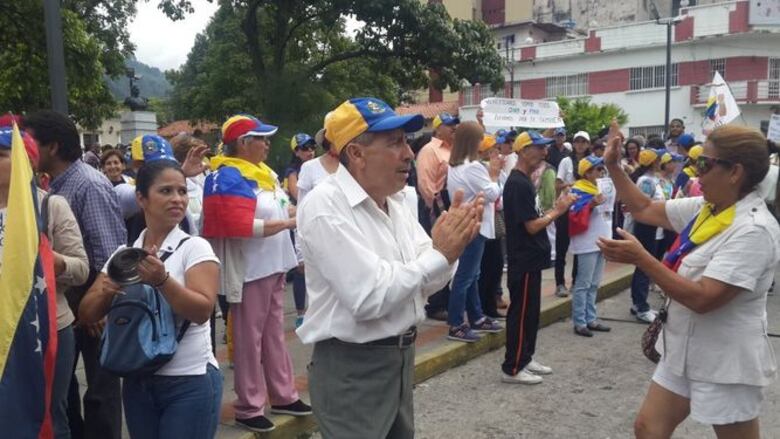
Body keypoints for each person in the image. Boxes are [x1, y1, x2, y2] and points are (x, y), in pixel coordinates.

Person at [296, 97, 481, 438]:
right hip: (353, 368)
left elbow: (430, 280)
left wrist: (448, 252)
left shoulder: (395, 201)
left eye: (406, 142)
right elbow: (369, 297)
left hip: (399, 358)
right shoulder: (325, 205)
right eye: (394, 143)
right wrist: (440, 255)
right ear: (356, 153)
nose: (408, 153)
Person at [598, 122, 779, 439]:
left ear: (735, 172)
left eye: (704, 164)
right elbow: (643, 208)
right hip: (683, 347)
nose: (694, 174)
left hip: (725, 360)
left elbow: (704, 298)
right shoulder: (707, 209)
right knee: (648, 429)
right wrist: (613, 166)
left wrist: (643, 259)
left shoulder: (753, 230)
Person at [78, 159, 222, 439]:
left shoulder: (195, 247)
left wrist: (162, 280)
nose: (177, 199)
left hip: (190, 380)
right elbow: (86, 314)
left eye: (182, 191)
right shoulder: (124, 255)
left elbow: (202, 311)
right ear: (141, 198)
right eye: (166, 191)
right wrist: (107, 292)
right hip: (138, 379)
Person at [201, 115, 310, 433]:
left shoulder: (263, 173)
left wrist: (302, 211)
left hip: (274, 265)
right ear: (243, 143)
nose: (267, 144)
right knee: (249, 341)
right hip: (250, 270)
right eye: (261, 139)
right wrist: (289, 222)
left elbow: (279, 208)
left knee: (273, 336)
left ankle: (283, 395)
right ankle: (249, 406)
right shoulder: (226, 176)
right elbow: (237, 226)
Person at [23, 110, 126, 439]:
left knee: (100, 392)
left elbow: (110, 252)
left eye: (30, 141)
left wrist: (98, 304)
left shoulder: (88, 185)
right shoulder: (53, 184)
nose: (25, 148)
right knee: (63, 393)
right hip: (65, 304)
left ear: (52, 146)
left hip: (92, 302)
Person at [0, 124, 89, 439]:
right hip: (3, 331)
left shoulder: (50, 205)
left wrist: (52, 260)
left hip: (47, 326)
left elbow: (81, 268)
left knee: (49, 413)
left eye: (1, 155)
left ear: (25, 161)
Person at [501, 130, 577, 385]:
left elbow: (534, 217)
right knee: (521, 313)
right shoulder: (517, 184)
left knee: (531, 313)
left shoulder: (524, 181)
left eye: (545, 147)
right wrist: (558, 210)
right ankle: (513, 367)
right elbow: (532, 226)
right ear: (523, 151)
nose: (545, 152)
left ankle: (525, 357)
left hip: (531, 258)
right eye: (539, 147)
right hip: (523, 259)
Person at [446, 123, 503, 342]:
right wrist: (494, 176)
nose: (482, 142)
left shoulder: (456, 165)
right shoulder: (473, 167)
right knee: (465, 276)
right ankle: (456, 323)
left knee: (471, 274)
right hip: (474, 224)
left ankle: (476, 316)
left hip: (466, 223)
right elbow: (492, 194)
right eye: (480, 138)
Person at [416, 111, 459, 320]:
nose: (454, 128)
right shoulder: (429, 150)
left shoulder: (454, 150)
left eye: (455, 125)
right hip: (436, 204)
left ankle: (449, 300)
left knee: (453, 253)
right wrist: (437, 210)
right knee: (438, 251)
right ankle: (435, 304)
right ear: (438, 128)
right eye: (449, 125)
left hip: (452, 202)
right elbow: (426, 184)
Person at [568, 156, 612, 337]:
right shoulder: (577, 190)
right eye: (598, 169)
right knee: (583, 284)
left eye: (602, 169)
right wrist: (591, 205)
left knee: (594, 284)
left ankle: (591, 319)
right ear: (587, 173)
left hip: (601, 239)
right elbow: (574, 217)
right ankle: (580, 322)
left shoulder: (602, 188)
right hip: (587, 242)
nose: (601, 172)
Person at [625, 148, 667, 323]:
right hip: (647, 228)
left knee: (645, 267)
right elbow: (642, 207)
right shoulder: (646, 181)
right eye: (658, 159)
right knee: (644, 267)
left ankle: (639, 303)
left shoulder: (653, 179)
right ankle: (641, 307)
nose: (661, 162)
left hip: (655, 228)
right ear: (652, 162)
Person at [553, 130, 591, 297]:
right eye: (577, 141)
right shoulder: (566, 161)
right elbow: (557, 184)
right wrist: (573, 184)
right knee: (561, 247)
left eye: (583, 142)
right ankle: (560, 283)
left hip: (583, 208)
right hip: (567, 207)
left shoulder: (591, 162)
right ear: (573, 143)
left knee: (580, 246)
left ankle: (576, 281)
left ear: (588, 144)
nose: (580, 145)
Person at [477, 135, 507, 320]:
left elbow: (503, 191)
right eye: (493, 149)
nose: (497, 152)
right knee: (486, 267)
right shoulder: (481, 169)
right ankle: (483, 308)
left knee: (496, 265)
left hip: (496, 221)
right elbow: (492, 193)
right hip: (485, 223)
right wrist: (495, 175)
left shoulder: (498, 170)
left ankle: (491, 305)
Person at [283, 133, 316, 204]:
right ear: (296, 152)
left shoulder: (318, 166)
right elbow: (299, 197)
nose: (310, 149)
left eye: (312, 146)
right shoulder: (292, 172)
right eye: (305, 147)